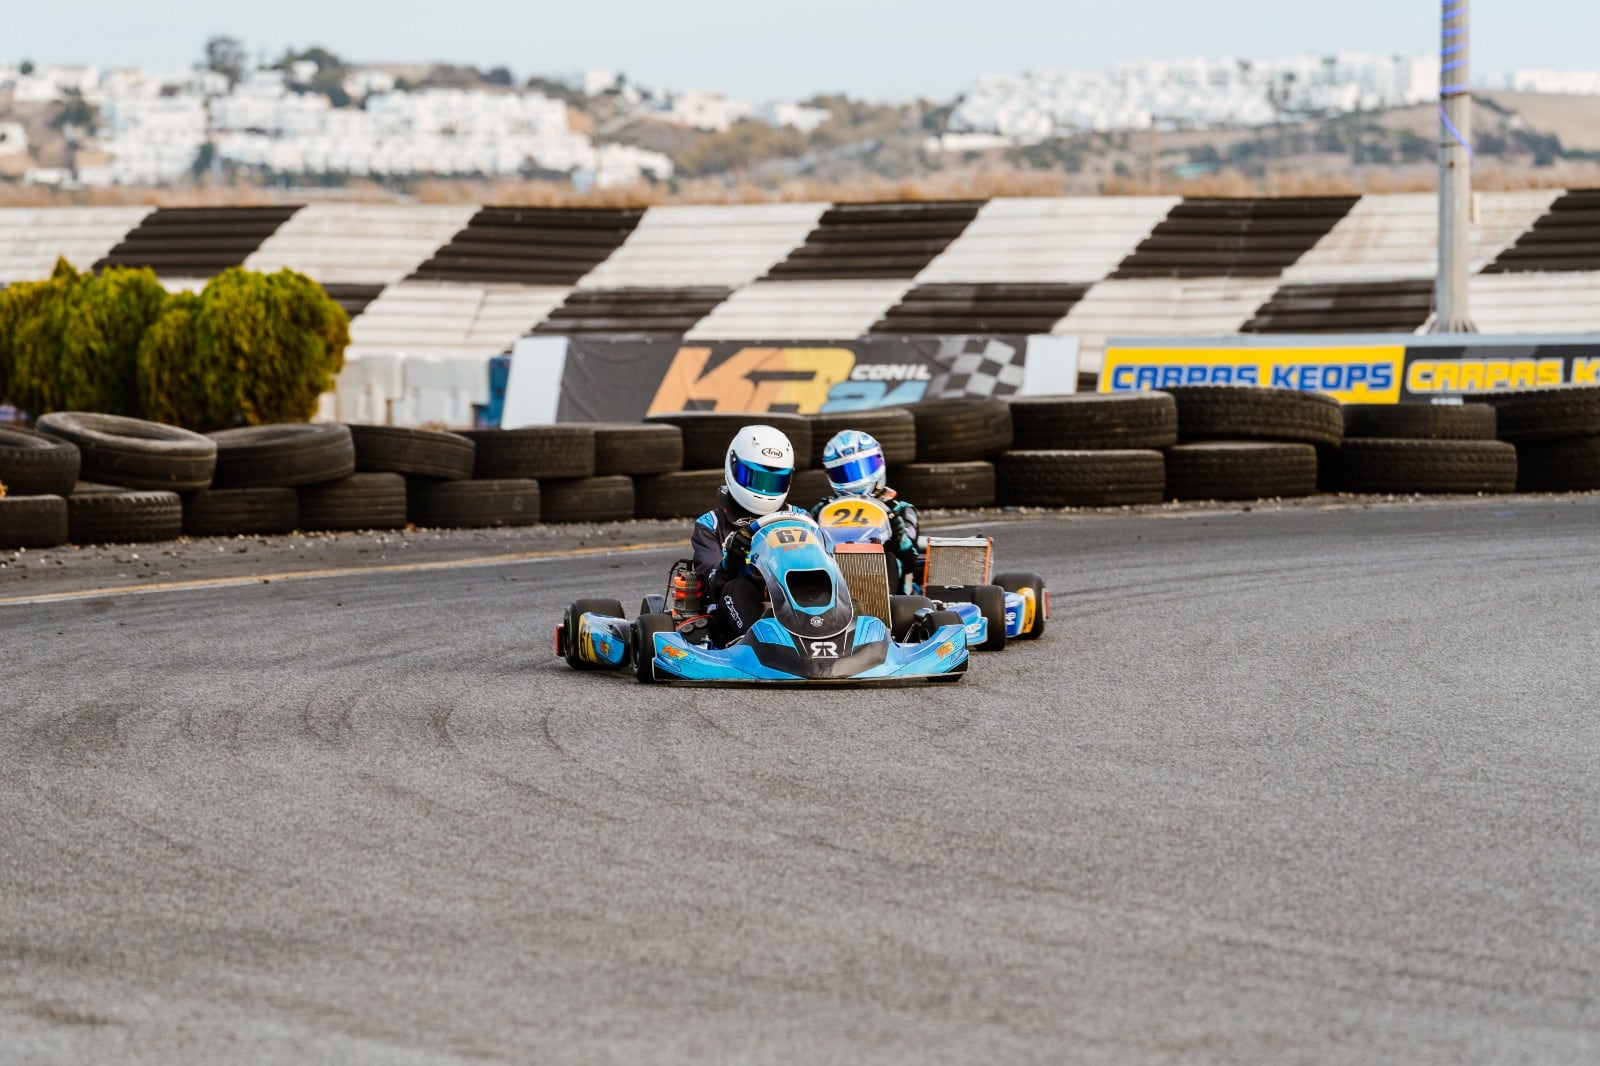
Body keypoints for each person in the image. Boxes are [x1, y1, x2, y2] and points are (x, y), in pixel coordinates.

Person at [690, 424, 800, 645]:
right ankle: (764, 643)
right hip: (733, 612)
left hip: (796, 600)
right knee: (736, 587)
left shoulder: (800, 519)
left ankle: (844, 634)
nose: (765, 491)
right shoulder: (711, 525)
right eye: (756, 478)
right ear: (734, 467)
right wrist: (730, 562)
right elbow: (712, 585)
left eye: (773, 482)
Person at [811, 429, 921, 593]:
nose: (856, 480)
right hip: (834, 579)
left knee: (889, 559)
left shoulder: (900, 510)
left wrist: (898, 534)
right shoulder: (823, 509)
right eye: (844, 473)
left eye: (862, 468)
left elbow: (910, 557)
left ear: (879, 462)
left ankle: (885, 605)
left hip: (891, 590)